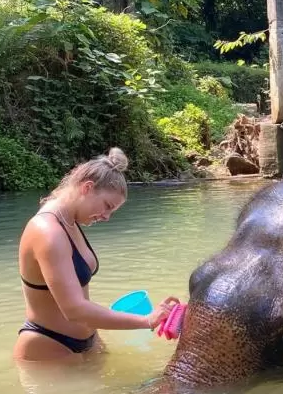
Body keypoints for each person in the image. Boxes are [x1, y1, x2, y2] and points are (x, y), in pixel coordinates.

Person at [14, 147, 178, 361]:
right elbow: (74, 309)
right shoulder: (48, 231)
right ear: (87, 188)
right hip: (49, 345)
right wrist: (147, 321)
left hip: (89, 341)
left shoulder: (70, 222)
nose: (107, 217)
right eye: (107, 206)